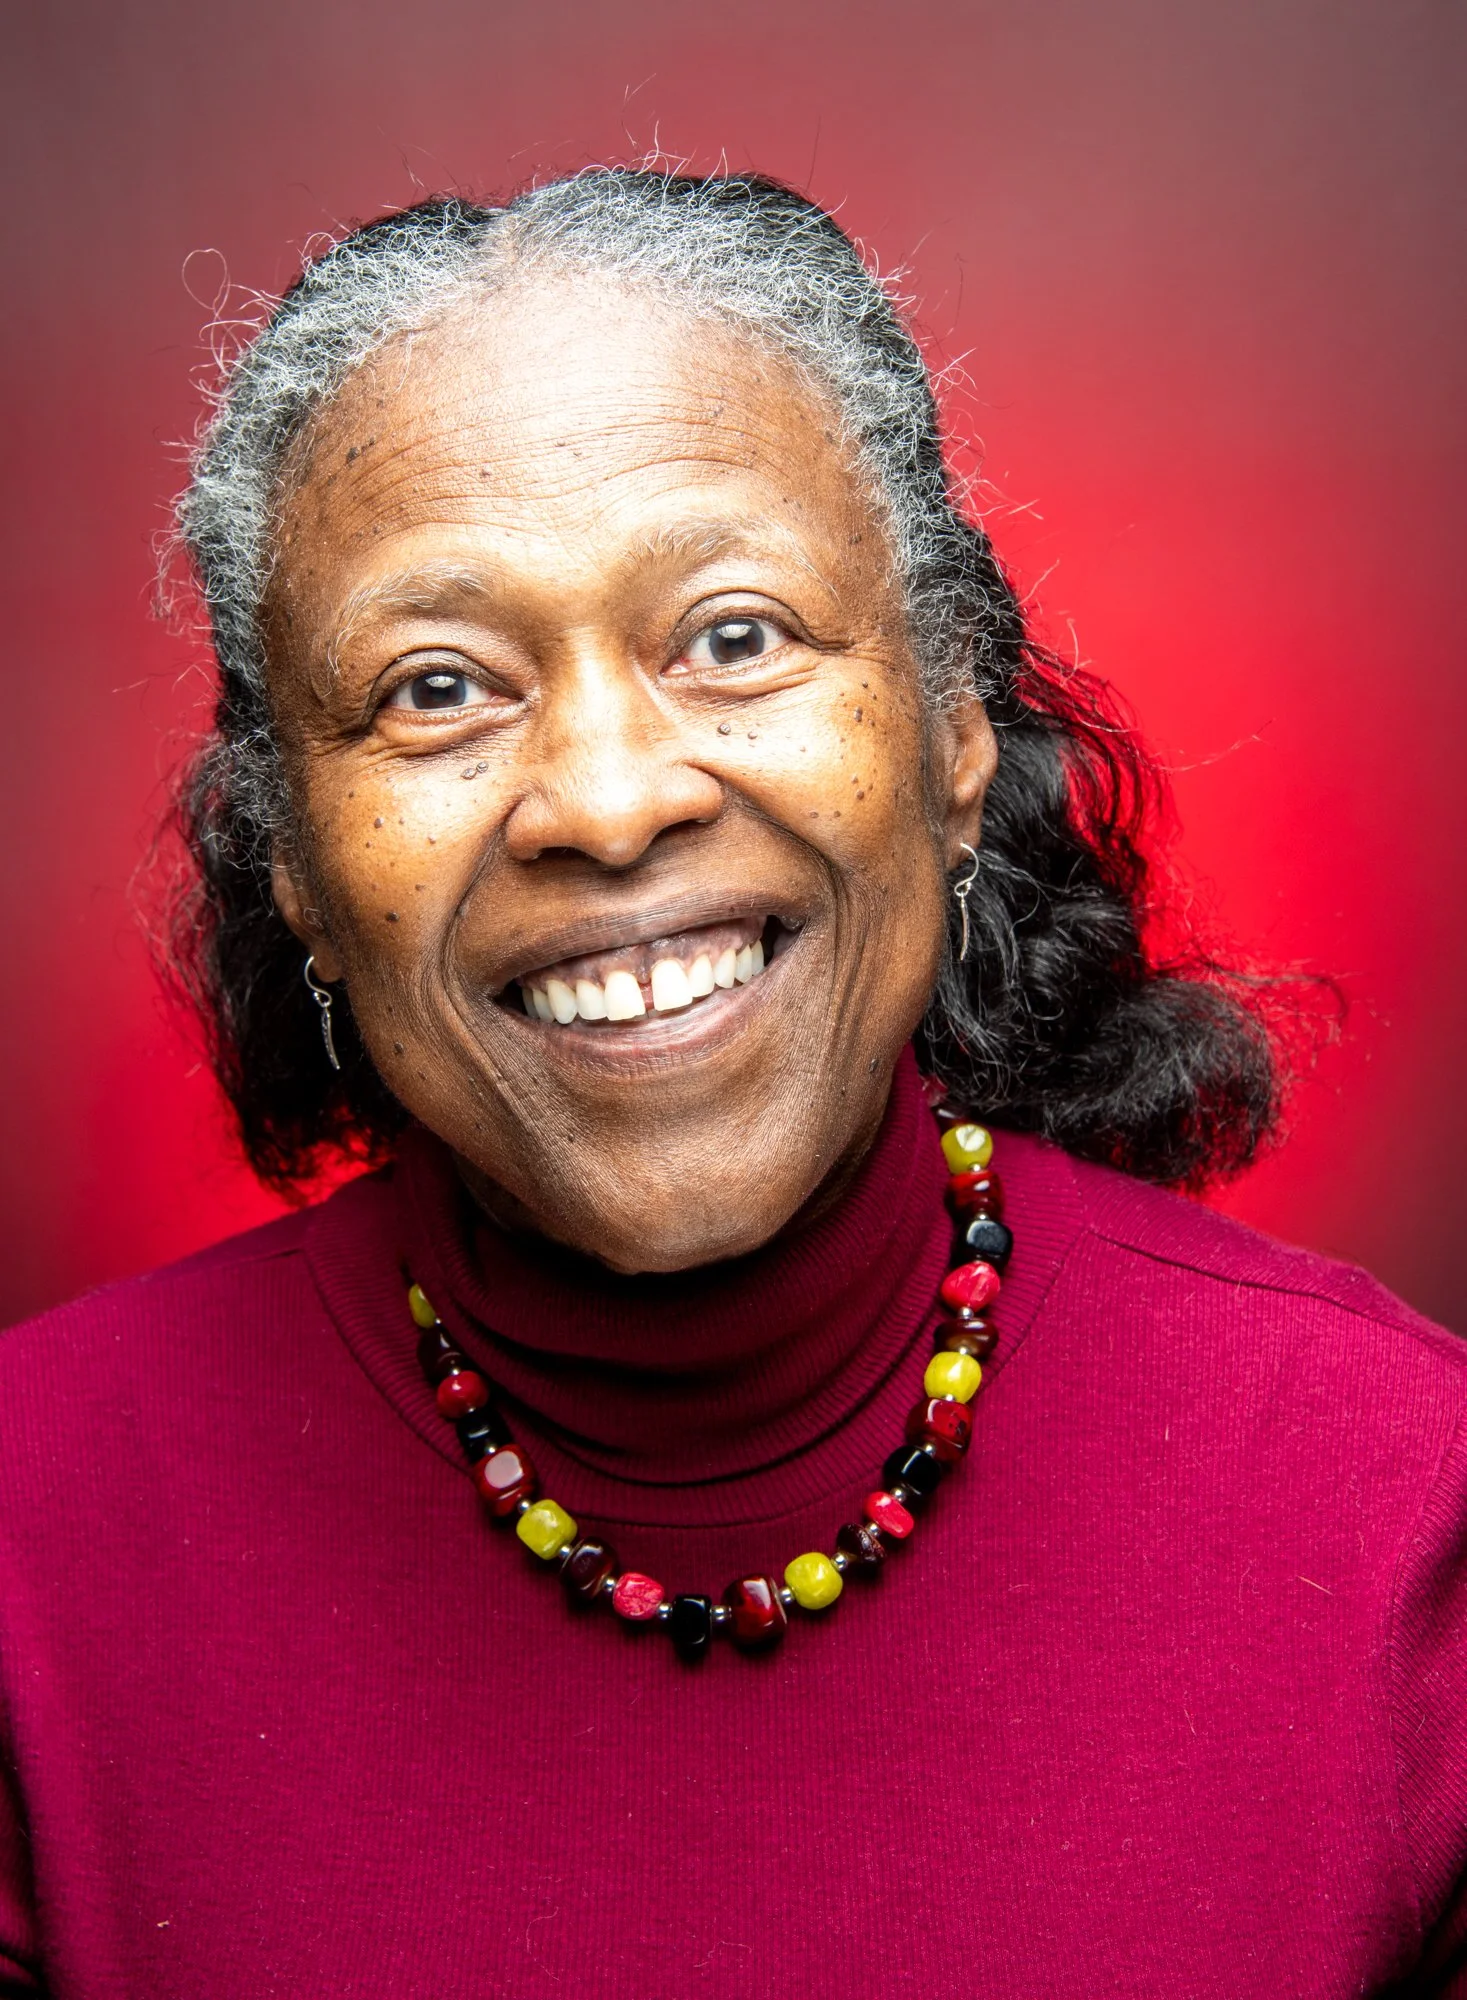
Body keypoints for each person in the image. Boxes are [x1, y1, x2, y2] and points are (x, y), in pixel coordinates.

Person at [0, 169, 1461, 1999]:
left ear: (947, 737)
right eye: (437, 684)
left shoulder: (1403, 1502)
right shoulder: (26, 1542)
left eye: (735, 635)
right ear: (289, 855)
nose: (609, 799)